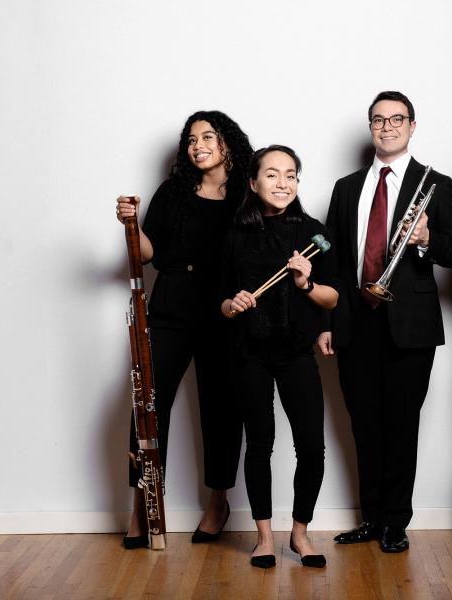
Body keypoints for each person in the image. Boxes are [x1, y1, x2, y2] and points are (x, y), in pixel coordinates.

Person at [320, 91, 452, 553]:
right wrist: (326, 322)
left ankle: (396, 522)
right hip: (355, 320)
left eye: (396, 119)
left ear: (412, 126)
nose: (387, 127)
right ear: (370, 128)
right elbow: (334, 262)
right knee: (363, 422)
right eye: (379, 120)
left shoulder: (435, 184)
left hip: (410, 323)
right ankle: (372, 517)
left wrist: (426, 239)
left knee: (402, 423)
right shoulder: (346, 187)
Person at [115, 110, 252, 549]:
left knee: (223, 408)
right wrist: (132, 226)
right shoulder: (172, 192)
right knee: (148, 407)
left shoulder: (246, 196)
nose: (198, 145)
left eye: (207, 136)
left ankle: (218, 504)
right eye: (191, 139)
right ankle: (144, 505)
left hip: (225, 314)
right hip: (172, 308)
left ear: (227, 142)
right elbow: (150, 252)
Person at [221, 145, 338, 569]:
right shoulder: (235, 235)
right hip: (249, 352)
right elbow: (220, 303)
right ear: (253, 183)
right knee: (260, 444)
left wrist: (307, 283)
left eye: (291, 174)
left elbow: (334, 295)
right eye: (272, 174)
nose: (282, 183)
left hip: (296, 352)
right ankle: (265, 537)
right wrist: (232, 304)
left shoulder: (314, 233)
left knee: (312, 447)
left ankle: (300, 533)